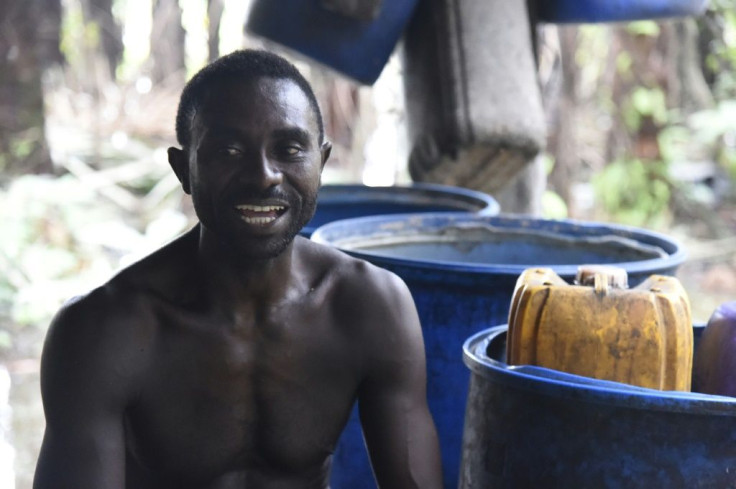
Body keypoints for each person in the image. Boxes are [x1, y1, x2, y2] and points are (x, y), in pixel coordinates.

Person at [33, 49, 443, 489]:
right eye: (228, 150)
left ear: (320, 164)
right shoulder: (103, 333)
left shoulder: (370, 307)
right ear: (182, 170)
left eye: (289, 149)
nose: (264, 175)